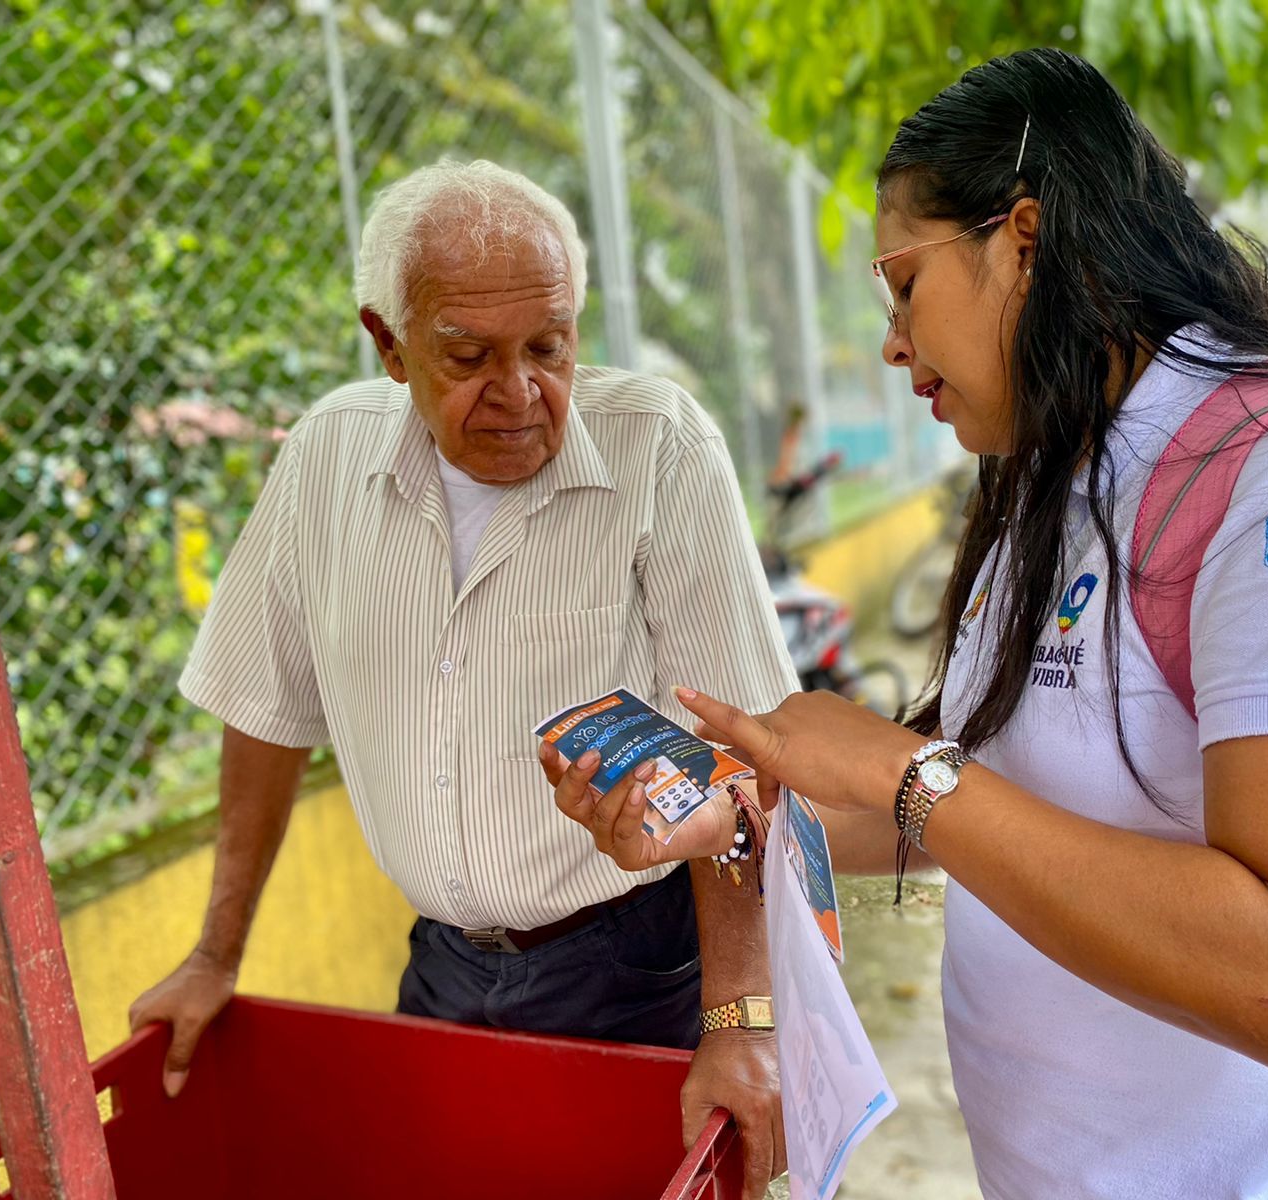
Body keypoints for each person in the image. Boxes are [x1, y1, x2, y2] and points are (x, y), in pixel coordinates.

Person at [545, 49, 1268, 1200]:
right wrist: (728, 805)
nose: (889, 340)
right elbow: (992, 811)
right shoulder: (1060, 477)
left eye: (903, 282)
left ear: (1022, 238)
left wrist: (910, 770)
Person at [128, 159, 795, 1197]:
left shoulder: (659, 449)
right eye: (469, 356)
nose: (522, 394)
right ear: (387, 346)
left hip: (640, 966)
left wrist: (739, 1019)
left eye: (549, 348)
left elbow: (746, 754)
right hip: (440, 967)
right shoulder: (322, 465)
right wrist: (215, 956)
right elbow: (263, 709)